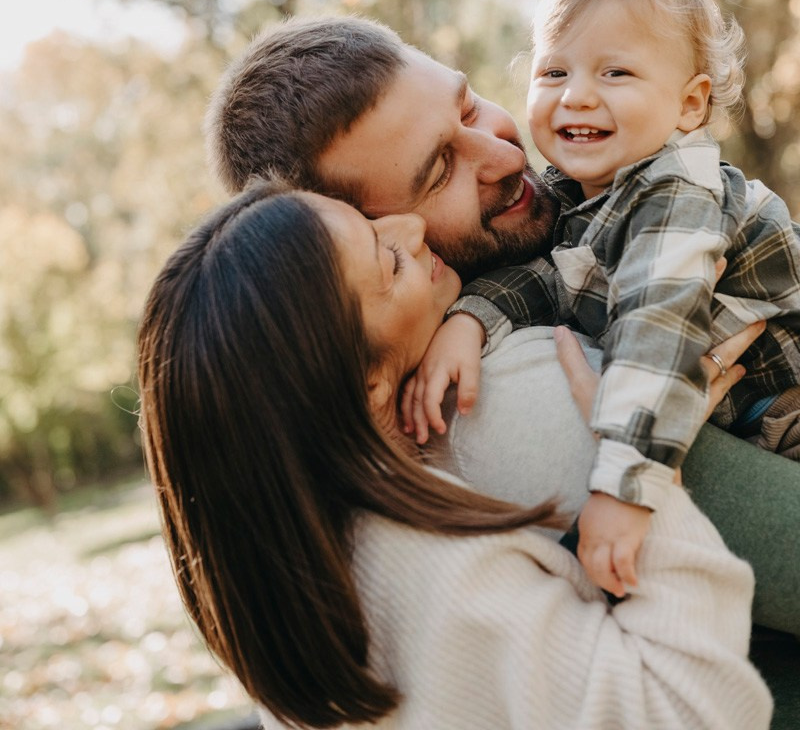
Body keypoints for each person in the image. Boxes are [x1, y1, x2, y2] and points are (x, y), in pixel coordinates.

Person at [204, 10, 800, 637]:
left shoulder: (590, 209)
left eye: (467, 108)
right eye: (438, 173)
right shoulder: (506, 394)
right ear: (359, 238)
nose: (504, 155)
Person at [137, 178, 772, 730]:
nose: (411, 227)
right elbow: (703, 712)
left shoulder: (299, 593)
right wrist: (639, 467)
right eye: (388, 259)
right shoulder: (436, 571)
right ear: (366, 386)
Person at [406, 0, 800, 597]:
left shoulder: (678, 190)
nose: (577, 96)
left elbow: (659, 327)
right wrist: (473, 317)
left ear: (688, 103)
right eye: (554, 71)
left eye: (615, 73)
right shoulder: (572, 196)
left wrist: (624, 486)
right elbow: (551, 276)